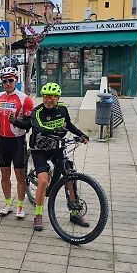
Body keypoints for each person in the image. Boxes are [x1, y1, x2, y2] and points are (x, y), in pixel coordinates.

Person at [29, 82, 89, 231]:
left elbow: (68, 124)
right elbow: (37, 127)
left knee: (71, 176)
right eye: (46, 97)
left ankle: (75, 213)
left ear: (58, 98)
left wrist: (81, 134)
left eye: (53, 97)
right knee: (43, 181)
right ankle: (38, 215)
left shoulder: (62, 109)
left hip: (57, 148)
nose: (49, 100)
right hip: (40, 150)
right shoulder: (37, 111)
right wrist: (53, 130)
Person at [0, 67, 34, 218]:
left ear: (16, 81)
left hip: (18, 142)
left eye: (10, 80)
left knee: (19, 175)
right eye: (5, 81)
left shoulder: (25, 99)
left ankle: (20, 206)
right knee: (4, 174)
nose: (8, 83)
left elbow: (28, 124)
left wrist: (15, 121)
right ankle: (8, 202)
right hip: (3, 141)